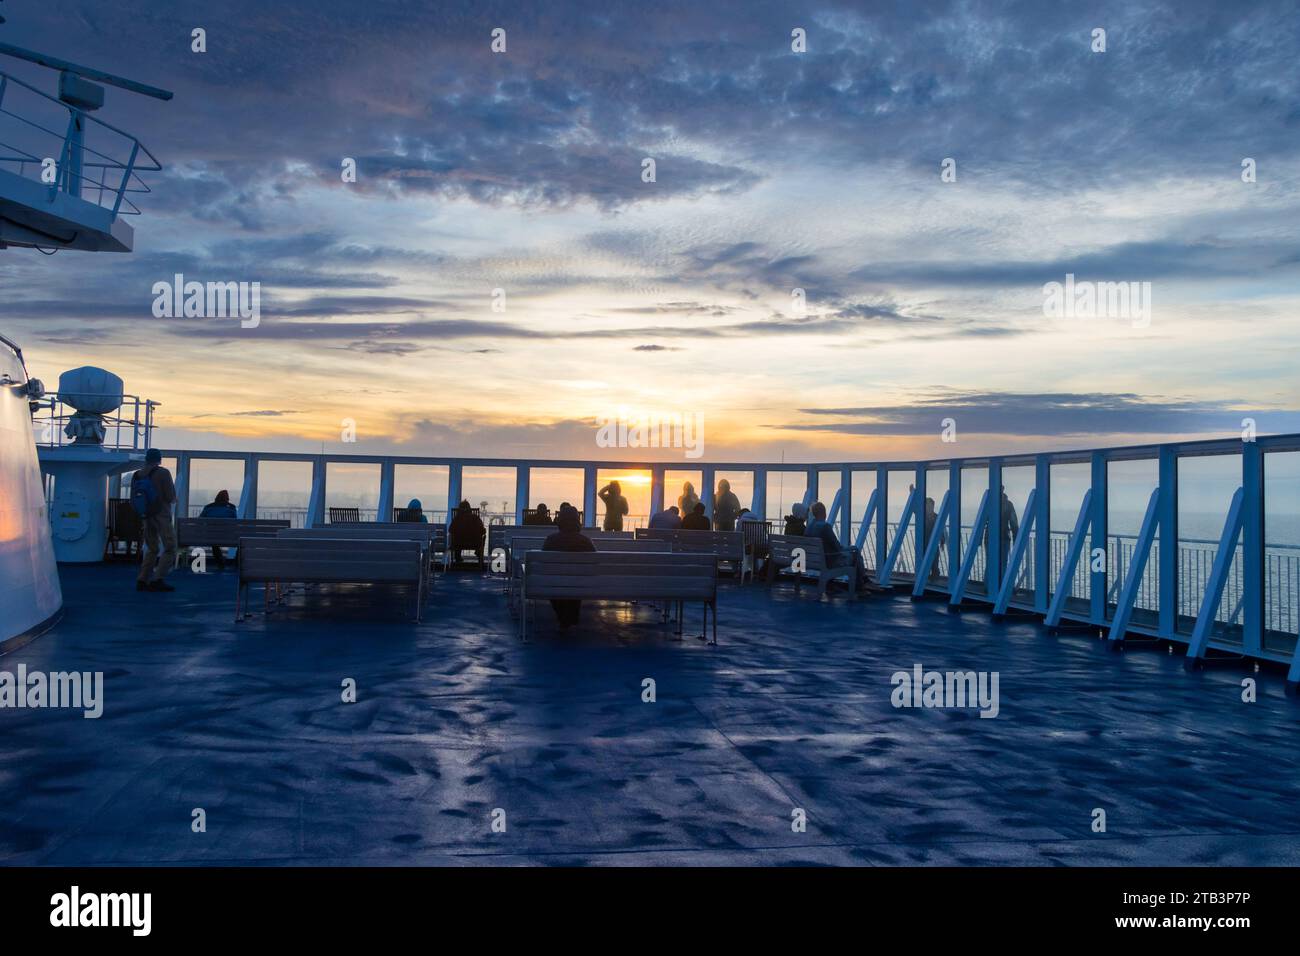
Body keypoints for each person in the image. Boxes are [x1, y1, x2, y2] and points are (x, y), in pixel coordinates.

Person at [133, 448, 178, 592]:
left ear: (146, 459)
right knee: (170, 547)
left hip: (146, 516)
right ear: (159, 459)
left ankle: (142, 579)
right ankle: (158, 578)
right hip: (161, 515)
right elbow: (170, 496)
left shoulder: (137, 474)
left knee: (152, 548)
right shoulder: (163, 473)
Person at [543, 504, 596, 628]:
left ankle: (563, 616)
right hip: (581, 584)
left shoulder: (551, 540)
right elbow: (595, 563)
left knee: (557, 580)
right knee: (575, 579)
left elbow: (543, 565)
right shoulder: (585, 541)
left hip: (555, 583)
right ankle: (570, 615)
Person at [804, 501, 868, 590]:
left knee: (853, 550)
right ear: (823, 513)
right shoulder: (825, 527)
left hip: (814, 561)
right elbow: (837, 548)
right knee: (855, 552)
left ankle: (833, 584)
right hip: (829, 562)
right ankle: (861, 585)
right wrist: (847, 550)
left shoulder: (809, 527)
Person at [198, 489, 237, 568]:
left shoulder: (208, 507)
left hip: (210, 536)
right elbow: (235, 522)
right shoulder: (232, 508)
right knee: (241, 543)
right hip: (228, 537)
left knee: (214, 541)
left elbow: (199, 521)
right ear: (227, 499)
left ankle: (220, 563)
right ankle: (236, 563)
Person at [448, 499, 486, 568]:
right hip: (474, 543)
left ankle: (457, 557)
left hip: (459, 543)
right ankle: (478, 553)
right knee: (482, 537)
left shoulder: (457, 519)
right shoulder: (475, 517)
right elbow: (483, 531)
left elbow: (450, 530)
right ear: (469, 509)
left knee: (456, 537)